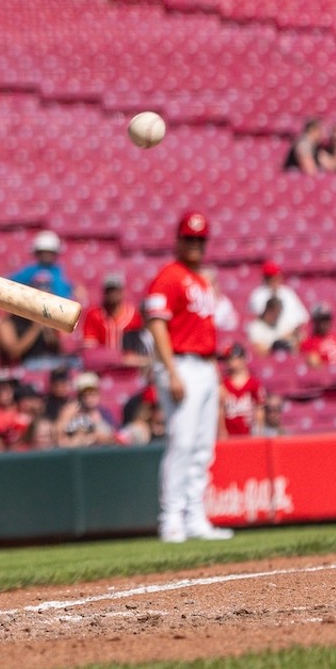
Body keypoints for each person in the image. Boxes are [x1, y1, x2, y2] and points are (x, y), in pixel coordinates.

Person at [145, 211, 233, 543]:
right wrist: (170, 371)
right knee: (181, 443)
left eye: (200, 239)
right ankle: (171, 521)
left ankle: (195, 517)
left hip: (205, 366)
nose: (195, 244)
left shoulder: (201, 280)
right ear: (178, 240)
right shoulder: (169, 276)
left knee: (201, 447)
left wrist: (217, 378)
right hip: (180, 363)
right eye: (190, 238)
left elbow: (207, 334)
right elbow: (156, 324)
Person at [81, 273, 144, 354]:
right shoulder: (94, 315)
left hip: (130, 363)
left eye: (115, 290)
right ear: (104, 292)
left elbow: (139, 345)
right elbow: (90, 349)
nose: (113, 294)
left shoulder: (134, 315)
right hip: (101, 363)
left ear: (122, 291)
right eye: (110, 290)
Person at [246, 260, 310, 339]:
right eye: (270, 277)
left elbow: (303, 318)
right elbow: (262, 319)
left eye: (276, 276)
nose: (274, 279)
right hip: (268, 337)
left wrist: (292, 332)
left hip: (292, 335)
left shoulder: (288, 292)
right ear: (265, 278)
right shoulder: (258, 295)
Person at [10, 230, 77, 301]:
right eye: (43, 252)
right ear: (37, 253)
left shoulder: (59, 272)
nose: (46, 255)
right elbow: (12, 284)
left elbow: (64, 294)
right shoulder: (30, 270)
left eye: (50, 252)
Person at [55, 372, 117, 448]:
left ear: (98, 394)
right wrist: (65, 418)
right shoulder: (71, 412)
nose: (89, 399)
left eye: (92, 394)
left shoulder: (104, 413)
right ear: (79, 396)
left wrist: (95, 433)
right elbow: (59, 439)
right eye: (84, 395)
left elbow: (112, 438)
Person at [218, 343, 264, 437]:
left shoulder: (254, 384)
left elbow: (259, 409)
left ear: (242, 359)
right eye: (227, 359)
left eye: (232, 358)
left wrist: (259, 431)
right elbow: (220, 410)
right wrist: (222, 431)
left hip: (249, 434)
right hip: (229, 435)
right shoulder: (223, 385)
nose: (229, 362)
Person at [299, 304, 336, 369]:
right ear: (315, 321)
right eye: (321, 319)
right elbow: (314, 364)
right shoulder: (308, 342)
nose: (325, 323)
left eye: (327, 319)